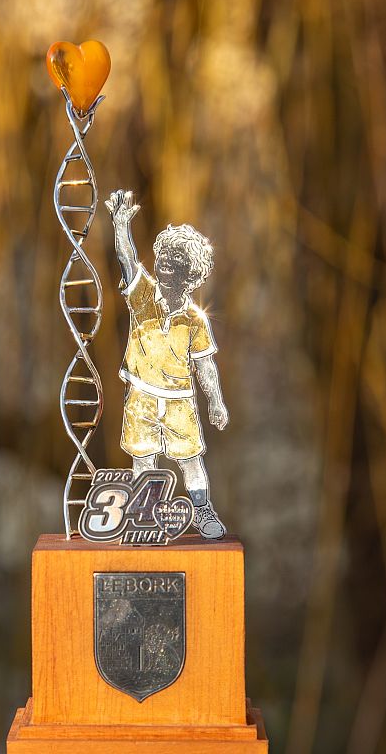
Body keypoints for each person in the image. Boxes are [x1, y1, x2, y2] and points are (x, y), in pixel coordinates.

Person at [105, 189, 229, 540]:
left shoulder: (195, 320)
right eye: (162, 258)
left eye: (175, 262)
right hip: (141, 395)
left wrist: (215, 401)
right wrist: (120, 227)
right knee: (143, 458)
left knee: (190, 459)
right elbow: (127, 259)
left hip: (180, 402)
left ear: (190, 275)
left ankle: (202, 510)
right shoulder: (143, 293)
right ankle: (143, 513)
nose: (164, 266)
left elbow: (205, 366)